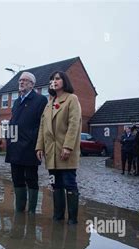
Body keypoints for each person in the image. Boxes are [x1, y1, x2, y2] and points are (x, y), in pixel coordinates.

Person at [35, 71, 82, 224]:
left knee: (69, 183)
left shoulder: (71, 99)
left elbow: (74, 124)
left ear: (64, 81)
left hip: (65, 151)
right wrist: (39, 147)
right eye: (52, 79)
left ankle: (73, 220)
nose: (54, 81)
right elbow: (43, 126)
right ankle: (58, 216)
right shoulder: (49, 102)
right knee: (55, 184)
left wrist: (68, 146)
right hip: (51, 152)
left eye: (57, 78)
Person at [5, 72, 47, 213]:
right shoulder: (16, 102)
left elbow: (43, 125)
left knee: (31, 178)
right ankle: (19, 210)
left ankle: (32, 211)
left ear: (32, 84)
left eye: (25, 80)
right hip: (14, 146)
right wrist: (7, 137)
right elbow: (13, 121)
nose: (21, 82)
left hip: (30, 146)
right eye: (20, 80)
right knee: (16, 178)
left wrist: (40, 145)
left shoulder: (40, 100)